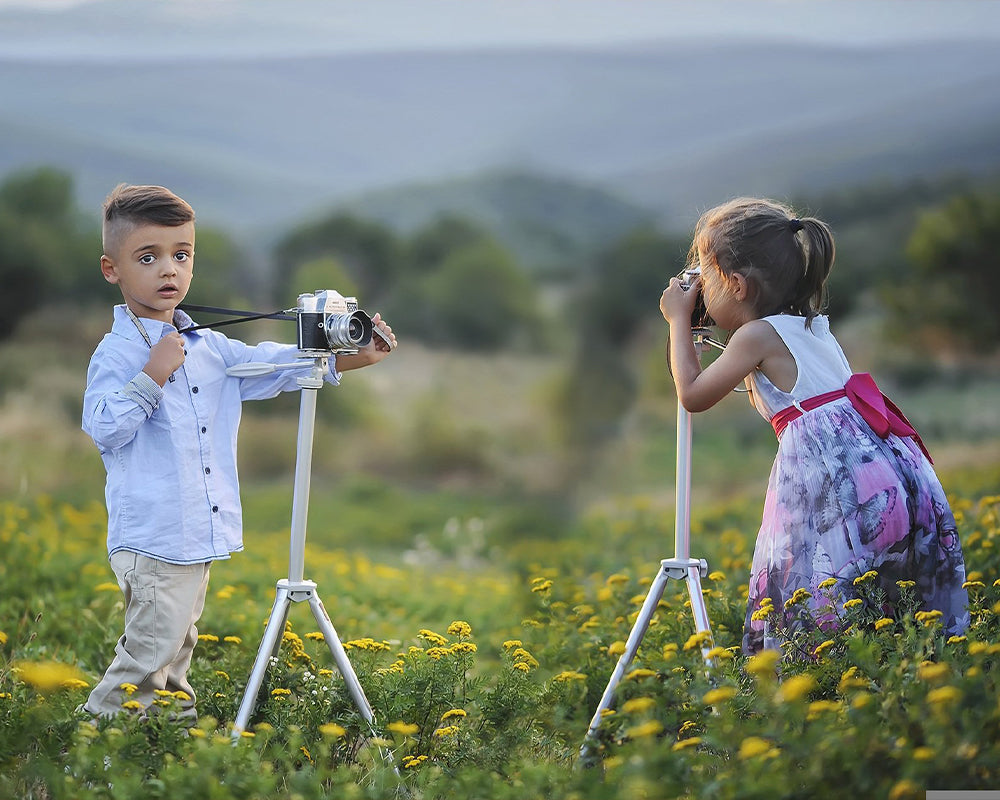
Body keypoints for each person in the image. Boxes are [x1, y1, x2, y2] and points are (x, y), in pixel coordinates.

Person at [81, 184, 396, 719]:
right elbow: (103, 428)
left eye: (181, 256)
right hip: (155, 536)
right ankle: (88, 753)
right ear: (112, 269)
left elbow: (269, 365)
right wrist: (152, 374)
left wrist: (345, 358)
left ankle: (168, 741)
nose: (168, 271)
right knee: (147, 656)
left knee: (176, 650)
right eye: (148, 257)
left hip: (194, 534)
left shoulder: (209, 345)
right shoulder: (119, 352)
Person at [659, 197, 968, 656]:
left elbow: (693, 395)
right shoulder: (812, 325)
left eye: (706, 278)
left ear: (738, 285)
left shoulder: (755, 336)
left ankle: (815, 687)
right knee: (885, 603)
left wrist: (678, 321)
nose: (699, 290)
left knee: (808, 588)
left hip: (836, 490)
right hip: (894, 478)